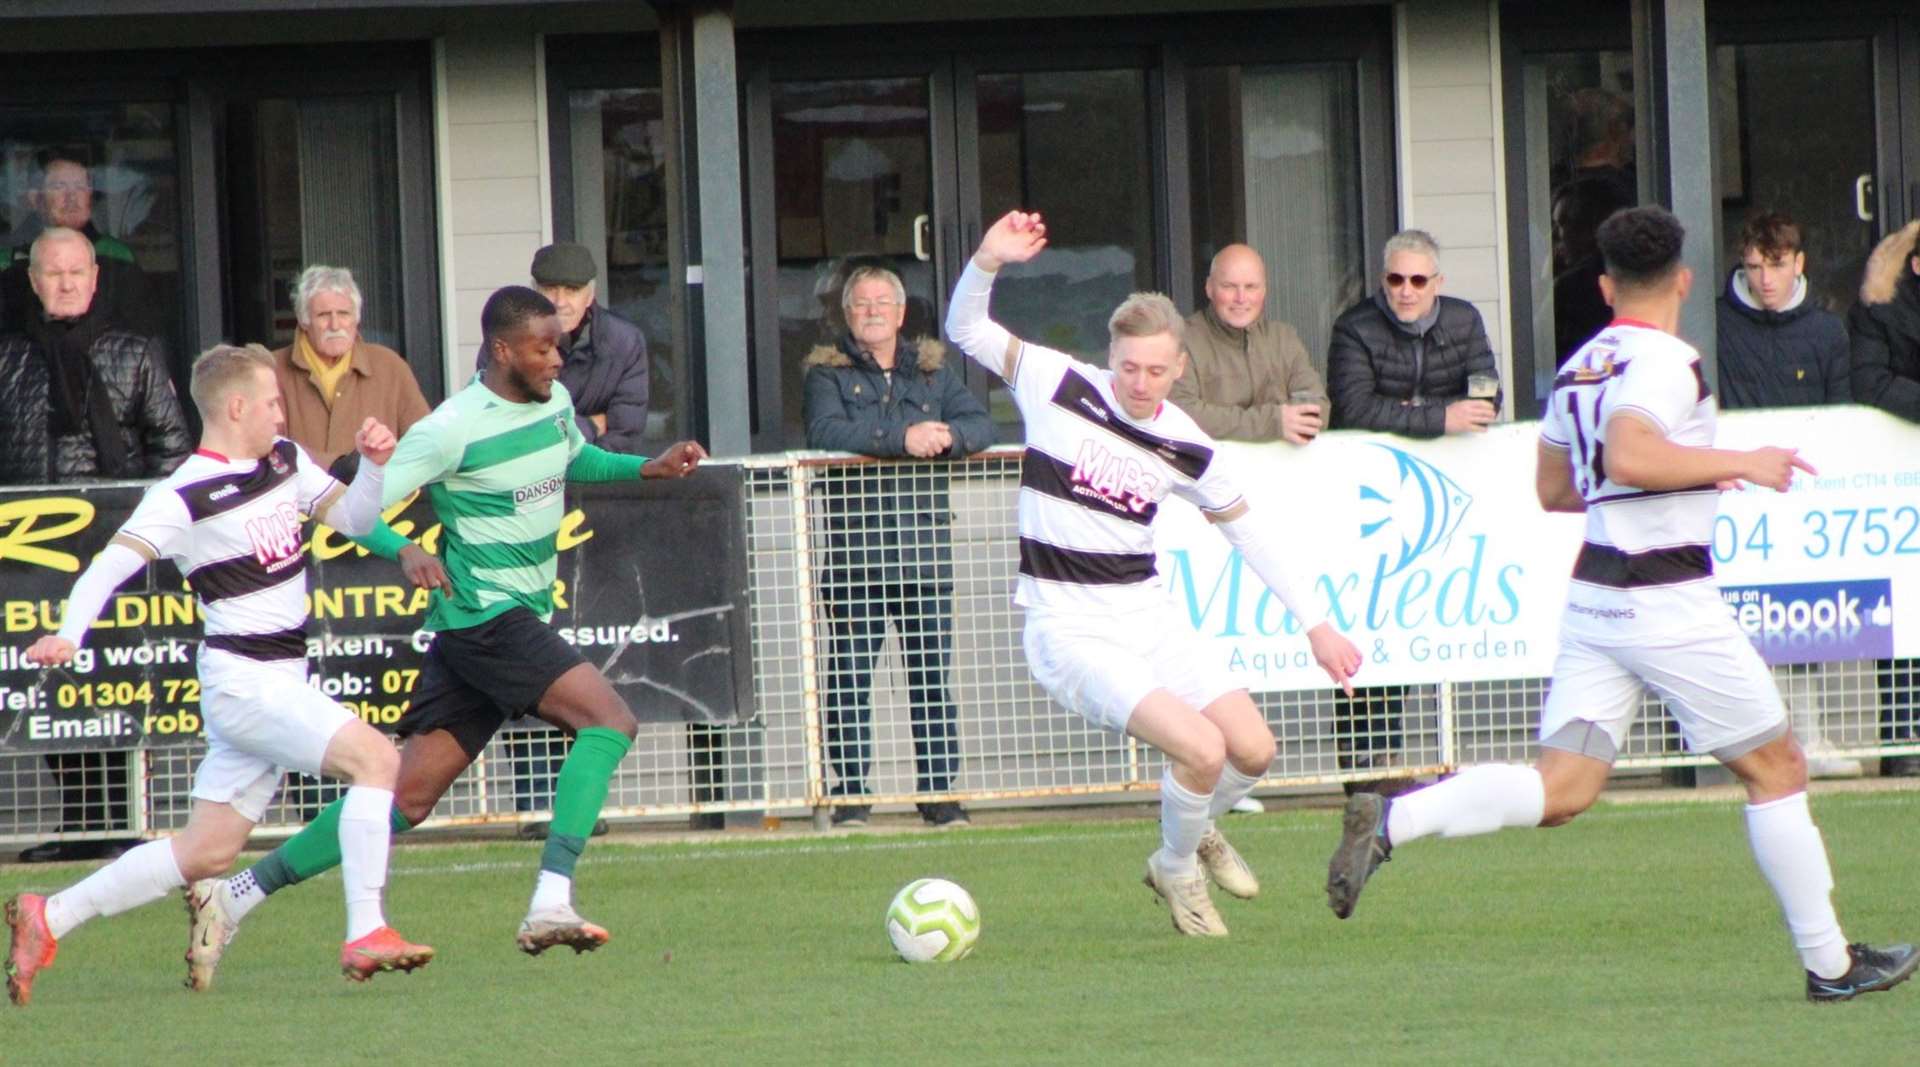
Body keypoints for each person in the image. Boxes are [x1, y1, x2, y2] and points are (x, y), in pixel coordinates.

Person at [1323, 206, 1917, 1003]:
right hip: (1665, 596)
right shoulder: (1671, 361)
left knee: (1562, 789)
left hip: (1597, 598)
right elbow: (1631, 453)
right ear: (1681, 280)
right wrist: (1739, 460)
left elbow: (1554, 487)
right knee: (1778, 766)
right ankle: (1831, 965)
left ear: (1605, 286)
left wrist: (1658, 473)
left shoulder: (1581, 365)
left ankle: (1394, 820)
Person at [178, 286, 707, 987]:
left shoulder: (553, 404)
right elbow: (355, 508)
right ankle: (551, 898)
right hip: (487, 617)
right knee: (609, 720)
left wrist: (646, 466)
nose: (556, 359)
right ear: (501, 350)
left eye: (558, 346)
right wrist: (405, 548)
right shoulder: (450, 427)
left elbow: (573, 457)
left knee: (405, 798)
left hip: (489, 626)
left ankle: (234, 894)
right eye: (543, 348)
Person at [945, 210, 1362, 937]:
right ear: (1111, 355)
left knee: (1254, 749)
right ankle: (1175, 864)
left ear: (1180, 369)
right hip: (1068, 627)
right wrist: (987, 258)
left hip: (1146, 615)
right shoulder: (1057, 381)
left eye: (1156, 370)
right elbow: (967, 331)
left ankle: (1190, 825)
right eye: (1128, 366)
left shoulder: (1187, 442)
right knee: (1200, 747)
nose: (1139, 382)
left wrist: (1316, 623)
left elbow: (1249, 532)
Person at [4, 345, 430, 1007]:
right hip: (247, 683)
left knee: (206, 851)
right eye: (271, 402)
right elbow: (108, 567)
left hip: (276, 678)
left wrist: (374, 467)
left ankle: (46, 916)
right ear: (236, 408)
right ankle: (366, 927)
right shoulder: (183, 495)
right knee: (377, 758)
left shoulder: (284, 459)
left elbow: (356, 519)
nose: (280, 412)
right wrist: (69, 631)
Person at [0, 225, 191, 864]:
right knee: (57, 685)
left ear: (95, 275)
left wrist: (153, 532)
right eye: (53, 273)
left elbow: (173, 453)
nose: (66, 282)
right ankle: (79, 824)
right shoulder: (8, 357)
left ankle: (122, 821)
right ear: (32, 281)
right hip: (33, 561)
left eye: (77, 271)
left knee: (118, 683)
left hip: (119, 557)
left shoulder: (135, 353)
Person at [803, 264, 993, 828]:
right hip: (857, 555)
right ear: (847, 313)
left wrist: (949, 438)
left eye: (883, 303)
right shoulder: (826, 373)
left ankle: (939, 795)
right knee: (850, 680)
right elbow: (826, 433)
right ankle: (851, 797)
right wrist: (902, 439)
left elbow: (982, 424)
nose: (872, 312)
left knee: (931, 678)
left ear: (901, 313)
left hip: (924, 552)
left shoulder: (933, 372)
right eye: (861, 304)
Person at [1326, 229, 1501, 795]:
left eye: (1417, 281)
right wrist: (1439, 418)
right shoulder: (1354, 326)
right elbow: (1353, 409)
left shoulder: (1465, 320)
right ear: (1384, 280)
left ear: (1437, 284)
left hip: (1442, 497)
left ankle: (1420, 761)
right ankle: (1364, 772)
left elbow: (1485, 396)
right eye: (1396, 279)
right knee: (1363, 632)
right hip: (1366, 502)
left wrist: (1412, 410)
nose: (1405, 291)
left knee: (1425, 628)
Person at [505, 242, 651, 834]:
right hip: (520, 520)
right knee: (525, 656)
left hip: (598, 523)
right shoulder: (510, 333)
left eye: (571, 291)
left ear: (591, 293)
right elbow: (498, 422)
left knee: (587, 665)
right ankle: (536, 804)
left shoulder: (624, 341)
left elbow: (630, 433)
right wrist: (585, 426)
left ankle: (578, 807)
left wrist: (561, 433)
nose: (561, 301)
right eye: (551, 290)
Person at [1849, 218, 1920, 778]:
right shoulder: (1879, 311)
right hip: (1895, 485)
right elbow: (1870, 383)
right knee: (1902, 607)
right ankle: (1903, 739)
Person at [272, 265, 431, 479]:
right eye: (323, 315)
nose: (335, 324)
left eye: (344, 313)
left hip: (381, 505)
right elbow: (267, 447)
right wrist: (337, 466)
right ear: (304, 321)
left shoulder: (389, 366)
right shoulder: (271, 370)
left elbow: (425, 442)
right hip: (300, 505)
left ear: (356, 318)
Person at [1169, 243, 1329, 445]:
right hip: (1212, 473)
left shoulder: (1284, 339)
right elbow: (1181, 413)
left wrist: (1294, 420)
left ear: (1264, 290)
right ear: (1209, 288)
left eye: (1251, 287)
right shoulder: (1183, 340)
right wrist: (1273, 423)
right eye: (1229, 287)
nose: (1241, 298)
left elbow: (1317, 407)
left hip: (1283, 470)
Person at [1, 150, 158, 338]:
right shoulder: (7, 256)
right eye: (59, 186)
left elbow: (143, 331)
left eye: (80, 187)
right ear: (36, 198)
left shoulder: (117, 255)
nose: (72, 197)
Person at [1716, 212, 1850, 410]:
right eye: (1754, 267)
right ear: (1743, 264)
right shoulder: (1716, 322)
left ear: (1799, 264)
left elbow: (1841, 414)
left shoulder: (1828, 331)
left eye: (1777, 265)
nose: (1766, 280)